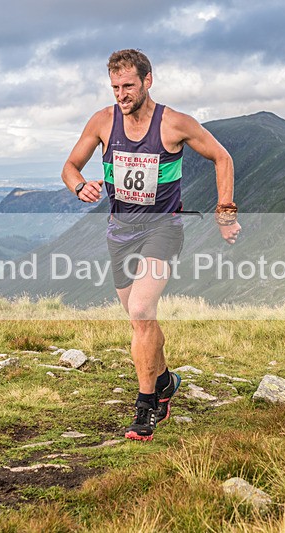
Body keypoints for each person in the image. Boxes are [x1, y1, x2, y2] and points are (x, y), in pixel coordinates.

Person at [61, 49, 240, 441]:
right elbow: (70, 166)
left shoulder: (174, 123)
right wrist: (80, 185)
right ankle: (164, 381)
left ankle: (146, 408)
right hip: (120, 232)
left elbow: (221, 157)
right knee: (140, 319)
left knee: (142, 309)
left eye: (128, 86)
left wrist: (225, 211)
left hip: (164, 229)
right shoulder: (103, 122)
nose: (121, 95)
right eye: (114, 87)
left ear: (147, 81)